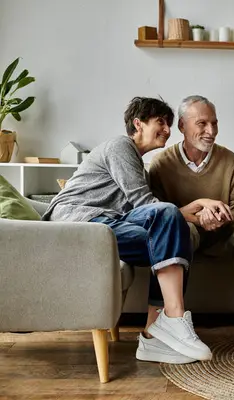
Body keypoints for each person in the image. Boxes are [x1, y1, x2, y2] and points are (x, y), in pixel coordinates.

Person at [42, 97, 221, 364]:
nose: (167, 129)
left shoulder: (137, 164)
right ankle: (172, 318)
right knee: (170, 225)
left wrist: (192, 209)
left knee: (174, 239)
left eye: (169, 124)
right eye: (160, 121)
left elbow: (146, 213)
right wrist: (192, 208)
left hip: (104, 224)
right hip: (79, 222)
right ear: (138, 124)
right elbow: (147, 206)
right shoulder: (120, 146)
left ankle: (152, 337)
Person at [148, 95, 234, 356]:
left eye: (214, 123)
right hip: (185, 236)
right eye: (201, 123)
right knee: (180, 229)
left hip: (221, 235)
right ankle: (175, 326)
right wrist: (199, 216)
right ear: (182, 127)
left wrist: (219, 217)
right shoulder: (161, 164)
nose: (210, 131)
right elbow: (157, 216)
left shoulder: (228, 160)